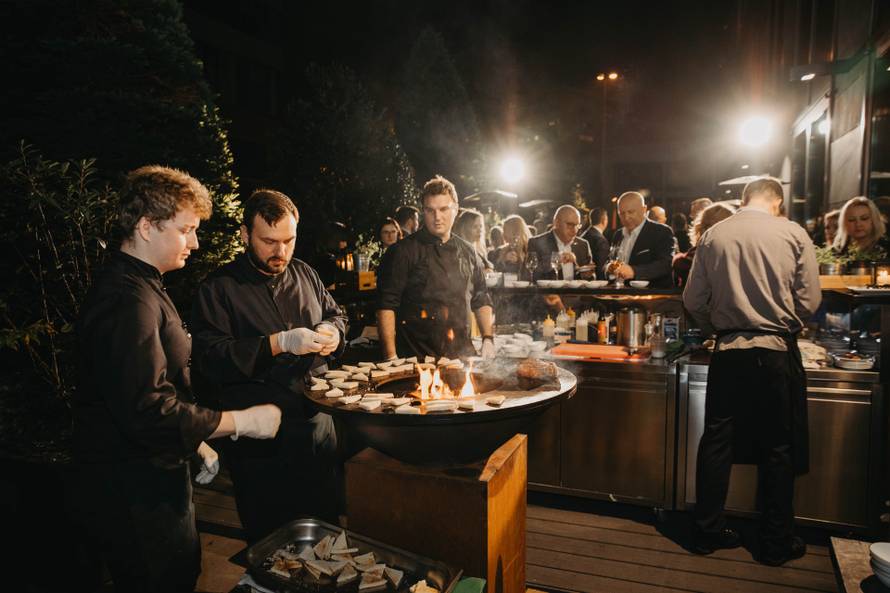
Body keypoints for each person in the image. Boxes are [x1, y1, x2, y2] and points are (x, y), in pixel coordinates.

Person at [73, 166, 282, 592]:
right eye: (187, 230)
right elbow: (146, 408)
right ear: (147, 227)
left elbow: (146, 385)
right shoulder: (126, 300)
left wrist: (195, 440)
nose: (195, 241)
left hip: (154, 471)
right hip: (135, 492)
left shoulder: (145, 284)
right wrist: (240, 423)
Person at [191, 189, 347, 543]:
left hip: (317, 427)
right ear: (246, 234)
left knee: (328, 534)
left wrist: (333, 332)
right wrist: (277, 343)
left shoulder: (305, 273)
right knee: (270, 540)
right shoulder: (219, 288)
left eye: (289, 241)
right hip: (261, 441)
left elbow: (337, 314)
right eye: (269, 241)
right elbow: (211, 358)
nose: (281, 252)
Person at [683, 177, 821, 566]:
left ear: (743, 200)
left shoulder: (714, 235)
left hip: (729, 351)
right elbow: (810, 300)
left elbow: (693, 300)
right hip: (776, 351)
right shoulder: (792, 232)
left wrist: (718, 325)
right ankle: (776, 542)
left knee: (717, 440)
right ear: (776, 200)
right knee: (779, 445)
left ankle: (706, 532)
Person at [377, 175, 494, 360]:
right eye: (430, 211)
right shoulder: (402, 251)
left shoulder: (469, 252)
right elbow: (386, 305)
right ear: (423, 211)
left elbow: (481, 298)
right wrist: (390, 357)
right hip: (417, 360)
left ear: (456, 209)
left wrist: (488, 338)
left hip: (461, 356)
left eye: (443, 209)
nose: (437, 217)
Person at [608, 191, 675, 288]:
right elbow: (611, 260)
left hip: (650, 297)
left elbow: (665, 265)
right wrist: (608, 268)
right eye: (622, 213)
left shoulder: (661, 231)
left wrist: (633, 271)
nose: (626, 217)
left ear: (644, 209)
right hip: (619, 295)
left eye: (631, 212)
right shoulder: (618, 234)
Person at [672, 202, 734, 287]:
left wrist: (678, 257)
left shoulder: (704, 251)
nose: (691, 215)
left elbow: (681, 264)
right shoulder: (738, 251)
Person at [527, 205, 595, 280]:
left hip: (576, 292)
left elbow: (592, 278)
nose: (574, 230)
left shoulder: (583, 245)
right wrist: (555, 261)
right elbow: (527, 275)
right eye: (570, 225)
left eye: (577, 225)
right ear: (556, 223)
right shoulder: (536, 243)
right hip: (550, 291)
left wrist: (587, 275)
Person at [581, 207, 610, 280]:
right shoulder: (601, 240)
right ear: (604, 220)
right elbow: (601, 268)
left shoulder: (583, 235)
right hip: (595, 283)